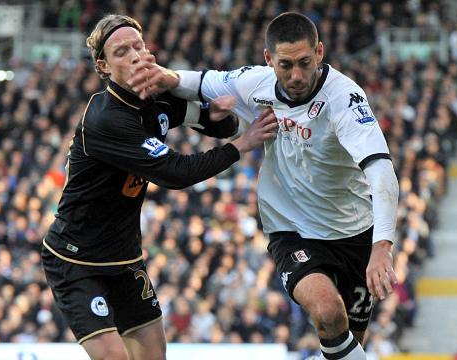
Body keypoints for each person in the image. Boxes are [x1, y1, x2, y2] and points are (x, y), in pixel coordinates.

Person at [129, 12, 399, 360]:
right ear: (269, 59)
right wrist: (165, 77)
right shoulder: (254, 82)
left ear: (320, 52)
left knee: (346, 345)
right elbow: (200, 83)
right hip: (291, 228)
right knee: (328, 313)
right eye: (286, 65)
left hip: (355, 231)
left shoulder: (344, 99)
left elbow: (381, 172)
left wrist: (382, 247)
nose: (297, 75)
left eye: (305, 62)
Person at [40, 14, 277, 360]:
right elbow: (175, 173)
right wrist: (241, 146)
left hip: (124, 255)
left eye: (138, 46)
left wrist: (215, 116)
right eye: (121, 52)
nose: (135, 55)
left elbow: (219, 123)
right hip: (76, 258)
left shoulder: (159, 97)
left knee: (154, 355)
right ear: (103, 66)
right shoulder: (105, 117)